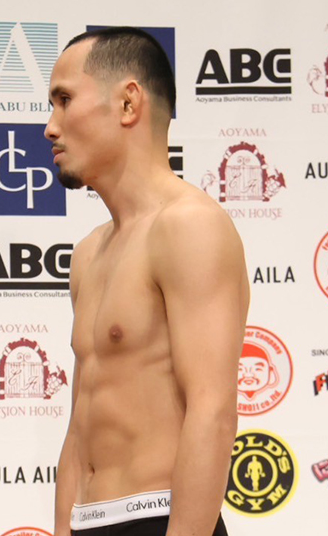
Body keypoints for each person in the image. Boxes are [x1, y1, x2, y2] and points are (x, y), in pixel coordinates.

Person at [45, 27, 249, 536]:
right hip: (90, 519)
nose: (50, 127)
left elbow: (213, 411)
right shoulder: (88, 253)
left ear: (128, 103)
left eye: (64, 100)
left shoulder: (190, 226)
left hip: (160, 519)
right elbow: (79, 431)